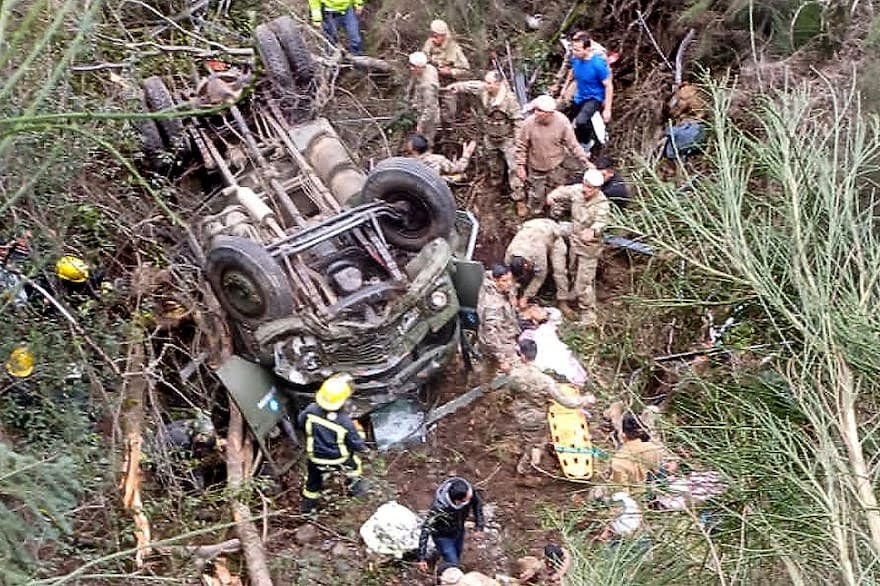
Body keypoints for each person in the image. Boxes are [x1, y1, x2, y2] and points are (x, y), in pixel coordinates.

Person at [508, 338, 590, 474]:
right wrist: (585, 400)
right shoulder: (545, 381)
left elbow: (512, 392)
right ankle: (523, 469)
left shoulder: (514, 375)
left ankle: (530, 449)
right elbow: (568, 403)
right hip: (536, 418)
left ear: (521, 355)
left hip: (520, 413)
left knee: (529, 437)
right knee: (534, 444)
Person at [447, 71, 524, 202]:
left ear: (498, 84)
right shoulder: (483, 90)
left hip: (507, 138)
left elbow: (518, 121)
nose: (486, 85)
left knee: (514, 168)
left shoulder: (509, 100)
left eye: (489, 83)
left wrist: (518, 143)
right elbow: (472, 85)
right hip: (489, 136)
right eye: (486, 82)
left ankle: (518, 197)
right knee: (493, 163)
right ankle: (496, 185)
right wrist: (457, 86)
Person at [547, 169, 610, 326]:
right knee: (573, 271)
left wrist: (593, 231)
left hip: (589, 249)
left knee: (584, 282)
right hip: (575, 242)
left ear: (597, 189)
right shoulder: (577, 191)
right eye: (584, 185)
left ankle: (588, 315)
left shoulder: (602, 205)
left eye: (590, 188)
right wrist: (553, 196)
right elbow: (564, 191)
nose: (585, 189)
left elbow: (601, 222)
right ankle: (573, 297)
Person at [297, 373, 368, 513]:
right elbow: (357, 444)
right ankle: (358, 492)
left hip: (315, 457)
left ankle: (307, 508)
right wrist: (360, 432)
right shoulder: (345, 422)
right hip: (339, 459)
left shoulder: (311, 410)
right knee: (355, 467)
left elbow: (300, 422)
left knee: (313, 481)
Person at [515, 95, 592, 217]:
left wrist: (585, 160)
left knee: (557, 191)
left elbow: (573, 144)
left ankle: (555, 214)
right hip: (536, 165)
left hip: (556, 164)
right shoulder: (528, 124)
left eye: (540, 111)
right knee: (536, 194)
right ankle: (534, 213)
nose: (536, 113)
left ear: (550, 113)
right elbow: (521, 146)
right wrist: (520, 165)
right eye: (536, 110)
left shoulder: (562, 122)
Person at [504, 218, 573, 316]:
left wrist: (526, 297)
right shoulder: (509, 255)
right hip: (529, 230)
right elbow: (510, 277)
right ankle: (520, 294)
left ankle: (563, 302)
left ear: (526, 264)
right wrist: (512, 296)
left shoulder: (537, 252)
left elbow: (540, 277)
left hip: (552, 235)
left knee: (559, 271)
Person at [416, 476, 485, 571]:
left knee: (457, 554)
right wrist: (421, 558)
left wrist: (479, 527)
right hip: (442, 535)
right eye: (468, 499)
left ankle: (435, 554)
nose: (471, 497)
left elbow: (477, 504)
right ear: (458, 501)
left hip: (459, 529)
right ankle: (440, 573)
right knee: (453, 564)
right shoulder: (439, 508)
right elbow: (426, 529)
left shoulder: (467, 489)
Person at [565, 33, 613, 148]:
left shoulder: (597, 64)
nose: (574, 52)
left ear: (587, 49)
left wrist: (607, 109)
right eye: (573, 49)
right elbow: (572, 72)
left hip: (594, 98)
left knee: (581, 121)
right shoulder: (576, 59)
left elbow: (608, 85)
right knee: (569, 120)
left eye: (577, 50)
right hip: (580, 95)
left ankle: (587, 144)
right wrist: (565, 88)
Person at [608, 413, 673, 490]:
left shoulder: (618, 460)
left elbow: (620, 489)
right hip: (654, 490)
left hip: (635, 494)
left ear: (623, 435)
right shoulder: (653, 448)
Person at [476, 264, 521, 371]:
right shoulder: (492, 305)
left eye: (510, 279)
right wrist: (502, 359)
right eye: (504, 281)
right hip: (500, 344)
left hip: (506, 333)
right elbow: (490, 333)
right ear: (495, 281)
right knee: (515, 371)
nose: (509, 283)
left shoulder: (497, 288)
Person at [422, 19, 470, 84]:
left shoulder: (454, 49)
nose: (433, 39)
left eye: (436, 36)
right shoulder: (429, 43)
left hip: (449, 81)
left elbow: (466, 71)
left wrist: (450, 72)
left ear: (443, 36)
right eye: (432, 36)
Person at [407, 51, 441, 145]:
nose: (411, 68)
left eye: (414, 67)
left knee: (426, 142)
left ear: (421, 67)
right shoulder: (429, 68)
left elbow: (430, 109)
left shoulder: (428, 86)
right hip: (420, 108)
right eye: (411, 65)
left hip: (429, 119)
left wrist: (421, 125)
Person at [406, 133, 476, 177]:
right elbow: (458, 168)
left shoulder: (408, 164)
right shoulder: (438, 159)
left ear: (412, 150)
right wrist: (467, 154)